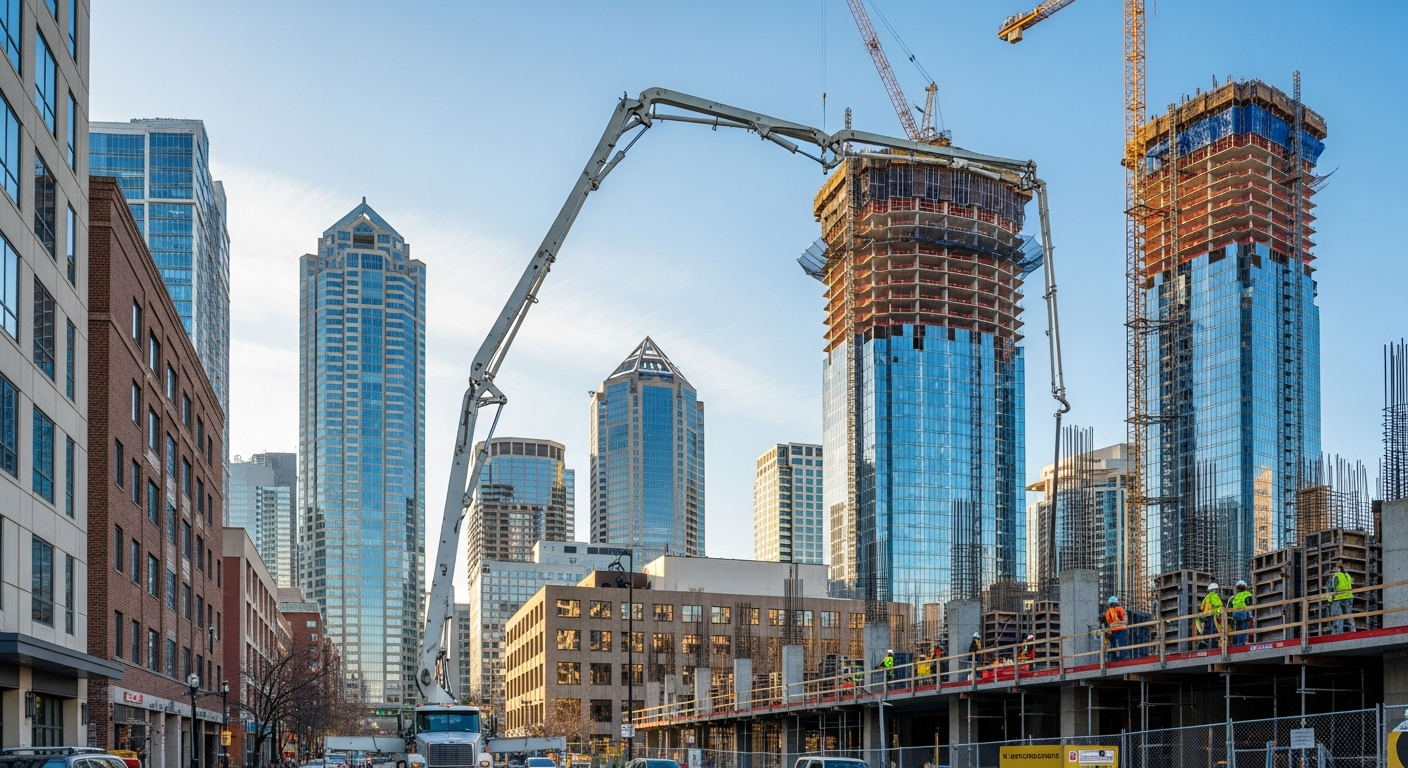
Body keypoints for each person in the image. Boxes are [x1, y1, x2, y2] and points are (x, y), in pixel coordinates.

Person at [1326, 558, 1355, 634]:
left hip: (1338, 598)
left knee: (1338, 617)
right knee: (1349, 616)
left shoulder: (1336, 576)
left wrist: (1329, 601)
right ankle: (1353, 631)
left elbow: (1331, 589)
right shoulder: (1347, 575)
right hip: (1349, 597)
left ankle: (1337, 634)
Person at [1198, 583, 1224, 649]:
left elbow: (1201, 607)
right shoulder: (1214, 595)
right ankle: (1213, 646)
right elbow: (1217, 605)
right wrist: (1220, 611)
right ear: (1214, 590)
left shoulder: (1207, 596)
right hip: (1212, 616)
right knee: (1214, 631)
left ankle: (1206, 644)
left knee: (1207, 631)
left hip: (1206, 616)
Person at [1229, 580, 1254, 645]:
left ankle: (1236, 644)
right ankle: (1242, 644)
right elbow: (1251, 603)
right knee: (1244, 630)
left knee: (1238, 630)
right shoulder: (1247, 594)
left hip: (1236, 614)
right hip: (1244, 614)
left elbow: (1231, 605)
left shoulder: (1235, 596)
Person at [1104, 595, 1128, 661]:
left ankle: (1113, 658)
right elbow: (1124, 619)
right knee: (1122, 644)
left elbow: (1108, 622)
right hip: (1121, 628)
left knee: (1113, 645)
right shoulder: (1120, 609)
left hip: (1113, 630)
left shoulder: (1108, 612)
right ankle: (1123, 657)